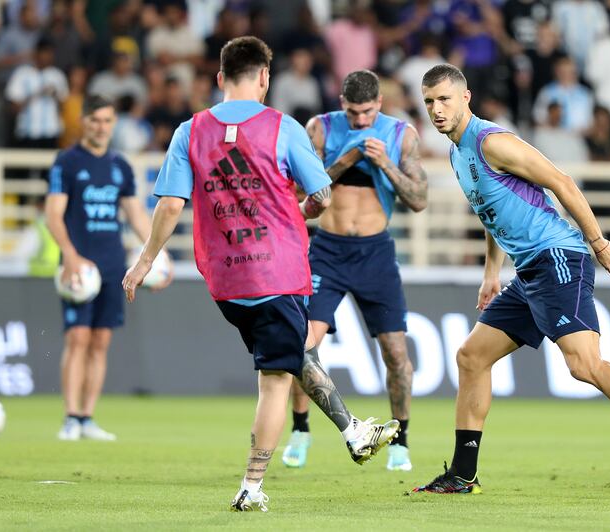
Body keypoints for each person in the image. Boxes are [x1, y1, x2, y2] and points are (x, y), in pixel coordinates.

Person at [122, 37, 399, 512]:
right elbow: (324, 196)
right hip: (276, 270)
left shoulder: (190, 131)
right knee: (276, 377)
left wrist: (146, 259)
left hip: (226, 280)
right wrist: (303, 207)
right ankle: (252, 486)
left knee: (291, 352)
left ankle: (353, 432)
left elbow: (170, 204)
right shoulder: (282, 128)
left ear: (218, 78)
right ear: (265, 78)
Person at [414, 64, 610, 494]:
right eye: (430, 101)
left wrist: (598, 240)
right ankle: (462, 475)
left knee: (584, 365)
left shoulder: (493, 142)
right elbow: (492, 214)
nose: (437, 109)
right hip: (528, 270)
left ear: (466, 97)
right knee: (471, 357)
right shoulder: (456, 153)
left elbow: (561, 182)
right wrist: (492, 273)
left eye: (445, 99)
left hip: (558, 257)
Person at [282, 69, 428, 473]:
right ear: (341, 104)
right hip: (327, 250)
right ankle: (301, 430)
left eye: (366, 112)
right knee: (303, 344)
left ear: (379, 104)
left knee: (396, 354)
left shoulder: (402, 135)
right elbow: (298, 192)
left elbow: (418, 200)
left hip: (375, 253)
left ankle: (400, 439)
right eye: (352, 112)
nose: (360, 121)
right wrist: (347, 159)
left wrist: (386, 165)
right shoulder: (322, 130)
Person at [46, 94, 166, 441]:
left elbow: (137, 216)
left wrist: (157, 257)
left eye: (107, 121)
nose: (101, 127)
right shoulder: (66, 162)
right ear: (84, 121)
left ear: (114, 124)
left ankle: (87, 417)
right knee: (77, 338)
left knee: (100, 341)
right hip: (78, 265)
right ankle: (70, 417)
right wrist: (69, 254)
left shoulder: (120, 166)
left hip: (113, 263)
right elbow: (53, 215)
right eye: (95, 120)